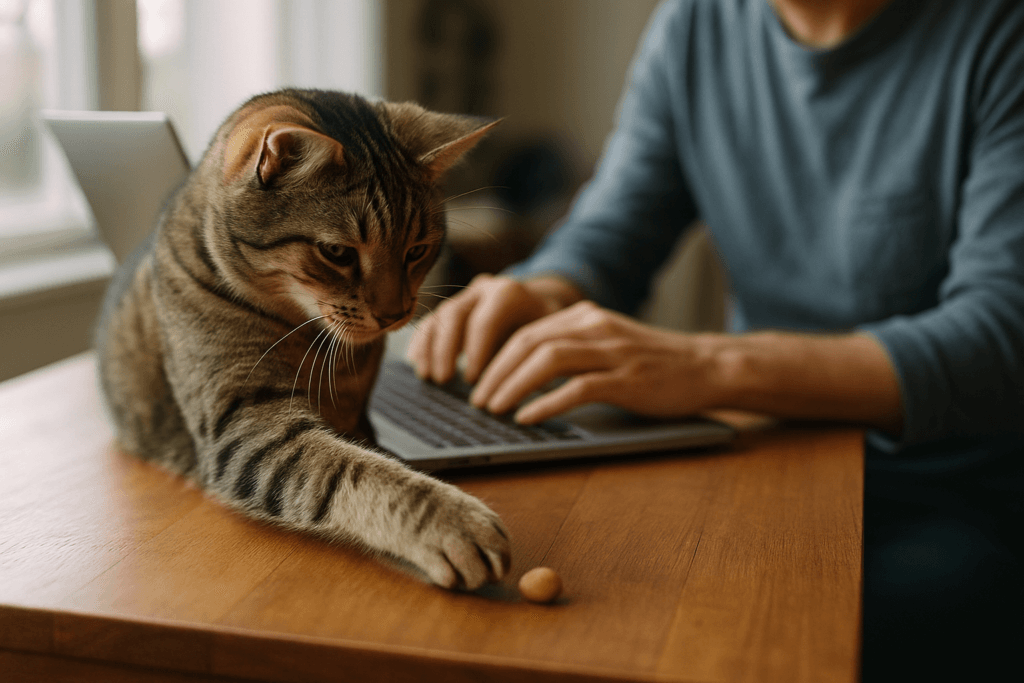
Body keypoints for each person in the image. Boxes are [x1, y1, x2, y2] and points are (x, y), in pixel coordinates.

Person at [408, 0, 1024, 680]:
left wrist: (708, 365)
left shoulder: (999, 36)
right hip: (766, 461)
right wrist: (541, 290)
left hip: (951, 493)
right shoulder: (696, 22)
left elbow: (998, 339)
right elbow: (613, 234)